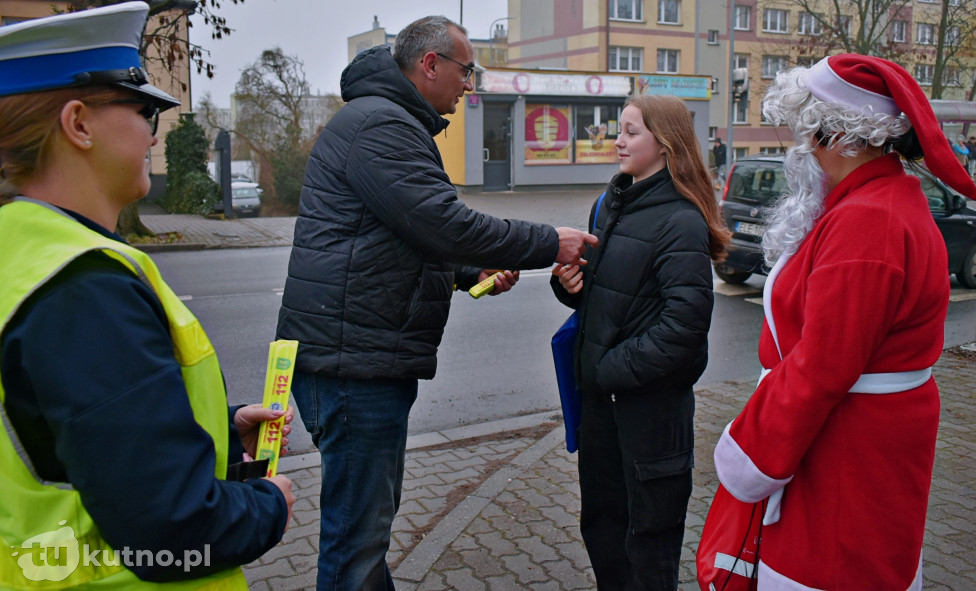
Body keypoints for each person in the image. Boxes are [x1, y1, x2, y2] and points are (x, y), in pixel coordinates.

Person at [275, 15, 598, 591]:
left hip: (358, 358)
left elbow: (404, 236)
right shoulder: (381, 124)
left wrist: (471, 272)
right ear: (430, 64)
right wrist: (550, 242)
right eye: (466, 70)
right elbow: (443, 224)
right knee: (355, 546)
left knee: (364, 537)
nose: (469, 85)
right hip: (353, 366)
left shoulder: (385, 119)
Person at [0, 3, 295, 588]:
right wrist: (269, 505)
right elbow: (172, 530)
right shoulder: (83, 288)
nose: (152, 134)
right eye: (144, 112)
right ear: (79, 124)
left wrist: (219, 429)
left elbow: (68, 436)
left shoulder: (23, 256)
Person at [711, 54, 976, 589]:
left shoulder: (867, 221)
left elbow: (822, 367)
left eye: (807, 132)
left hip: (846, 447)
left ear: (840, 135)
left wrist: (751, 449)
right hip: (861, 436)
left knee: (833, 567)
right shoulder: (878, 201)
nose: (802, 148)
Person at [551, 94, 730, 590]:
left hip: (650, 417)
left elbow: (684, 331)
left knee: (647, 546)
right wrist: (570, 287)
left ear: (665, 144)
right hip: (602, 410)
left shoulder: (681, 220)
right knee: (603, 531)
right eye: (619, 129)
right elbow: (610, 296)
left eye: (631, 132)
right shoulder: (612, 203)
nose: (618, 141)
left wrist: (607, 370)